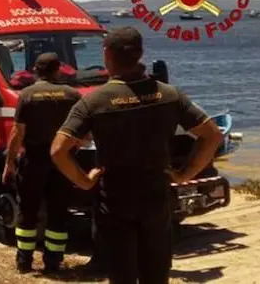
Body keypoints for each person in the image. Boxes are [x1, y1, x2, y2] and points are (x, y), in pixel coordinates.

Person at [50, 26, 223, 284]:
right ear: (140, 53)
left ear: (106, 53)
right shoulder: (168, 94)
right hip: (156, 196)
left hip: (115, 200)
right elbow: (212, 135)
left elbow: (58, 150)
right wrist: (185, 174)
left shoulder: (94, 101)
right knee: (156, 273)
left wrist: (84, 180)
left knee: (122, 275)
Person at [2, 53, 82, 274]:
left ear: (35, 71)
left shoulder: (27, 95)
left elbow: (18, 133)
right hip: (62, 159)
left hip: (34, 160)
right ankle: (53, 262)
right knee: (58, 211)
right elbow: (83, 133)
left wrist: (9, 163)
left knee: (28, 211)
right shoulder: (72, 95)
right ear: (58, 70)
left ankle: (24, 262)